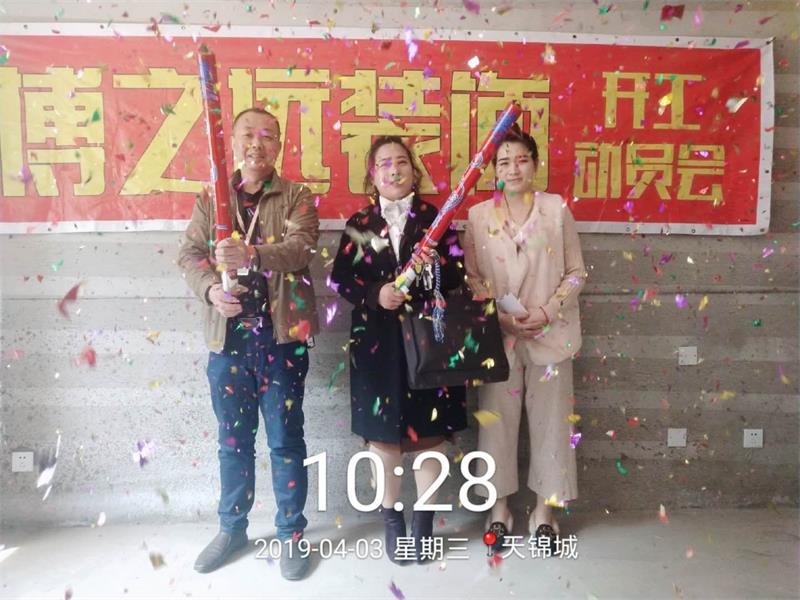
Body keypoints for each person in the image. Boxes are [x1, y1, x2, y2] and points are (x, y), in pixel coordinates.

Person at [177, 107, 320, 580]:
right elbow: (190, 255)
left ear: (279, 145)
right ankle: (232, 529)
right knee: (233, 442)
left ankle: (291, 533)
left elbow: (301, 249)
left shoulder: (297, 195)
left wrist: (252, 254)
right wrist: (210, 291)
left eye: (267, 136)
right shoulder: (211, 197)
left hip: (281, 341)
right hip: (229, 342)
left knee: (285, 441)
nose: (257, 144)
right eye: (248, 135)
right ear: (233, 142)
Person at [330, 136, 467, 564]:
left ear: (413, 170)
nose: (394, 170)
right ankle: (391, 520)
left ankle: (424, 520)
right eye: (385, 163)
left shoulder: (437, 219)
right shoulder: (359, 222)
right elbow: (340, 280)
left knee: (430, 435)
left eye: (402, 162)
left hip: (428, 340)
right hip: (376, 343)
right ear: (373, 174)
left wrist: (431, 271)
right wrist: (376, 293)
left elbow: (458, 274)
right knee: (383, 435)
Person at [463, 124, 586, 554]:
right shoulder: (479, 216)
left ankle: (544, 512)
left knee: (552, 425)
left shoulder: (556, 210)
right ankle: (498, 509)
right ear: (493, 171)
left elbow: (576, 272)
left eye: (521, 160)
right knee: (495, 425)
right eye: (504, 162)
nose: (513, 169)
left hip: (551, 334)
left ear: (535, 164)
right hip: (499, 338)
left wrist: (548, 311)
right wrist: (500, 316)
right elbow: (472, 277)